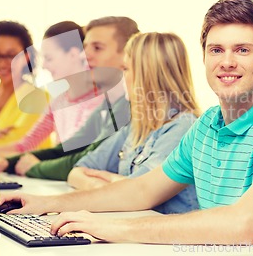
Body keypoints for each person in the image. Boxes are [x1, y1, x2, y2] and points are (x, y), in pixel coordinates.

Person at [0, 0, 253, 255]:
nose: (227, 62)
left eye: (242, 50)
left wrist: (113, 228)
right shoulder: (208, 126)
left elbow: (243, 225)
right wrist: (46, 205)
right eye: (216, 49)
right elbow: (143, 190)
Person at [68, 32, 200, 214]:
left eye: (126, 69)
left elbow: (141, 192)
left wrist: (116, 187)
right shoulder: (137, 126)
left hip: (169, 239)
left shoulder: (183, 128)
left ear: (148, 74)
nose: (121, 76)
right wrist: (105, 186)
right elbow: (77, 170)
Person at [0, 16, 139, 179]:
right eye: (85, 48)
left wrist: (34, 168)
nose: (84, 56)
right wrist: (10, 163)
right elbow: (68, 148)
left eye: (97, 48)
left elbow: (86, 160)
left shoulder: (127, 105)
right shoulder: (104, 104)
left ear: (128, 54)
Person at [0, 21, 104, 157]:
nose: (44, 66)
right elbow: (26, 145)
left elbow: (80, 157)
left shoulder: (100, 102)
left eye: (49, 58)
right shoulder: (58, 102)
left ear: (73, 55)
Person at [0, 20, 51, 150]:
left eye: (11, 56)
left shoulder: (38, 98)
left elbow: (18, 146)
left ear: (26, 57)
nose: (3, 63)